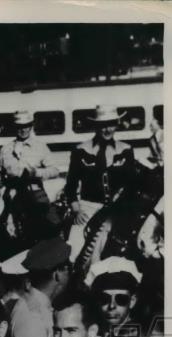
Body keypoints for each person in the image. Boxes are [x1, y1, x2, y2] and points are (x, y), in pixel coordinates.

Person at [65, 105, 138, 260]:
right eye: (103, 125)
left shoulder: (126, 150)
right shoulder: (80, 150)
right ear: (96, 126)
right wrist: (76, 210)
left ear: (117, 124)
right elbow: (70, 185)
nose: (107, 129)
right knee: (74, 250)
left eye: (111, 124)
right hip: (88, 209)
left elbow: (132, 185)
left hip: (118, 211)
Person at [6, 236, 72, 337]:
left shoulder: (40, 307)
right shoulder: (33, 317)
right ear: (57, 274)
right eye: (68, 268)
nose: (70, 273)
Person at [0, 110, 60, 247]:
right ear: (14, 127)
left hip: (35, 196)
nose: (23, 129)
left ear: (31, 126)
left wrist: (36, 173)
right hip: (12, 197)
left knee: (47, 229)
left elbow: (55, 170)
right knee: (4, 232)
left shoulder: (40, 147)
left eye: (26, 125)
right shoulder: (5, 149)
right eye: (19, 126)